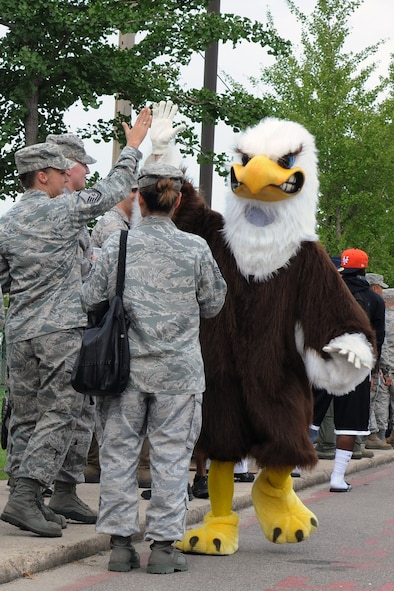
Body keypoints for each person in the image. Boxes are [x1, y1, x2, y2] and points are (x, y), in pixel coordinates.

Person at [0, 106, 151, 538]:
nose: (67, 174)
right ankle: (27, 496)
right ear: (44, 176)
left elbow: (4, 279)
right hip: (59, 330)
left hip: (21, 331)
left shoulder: (7, 222)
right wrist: (133, 147)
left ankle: (27, 497)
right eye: (59, 170)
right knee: (63, 412)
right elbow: (114, 189)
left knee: (26, 418)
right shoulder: (60, 212)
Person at [81, 163, 227, 574]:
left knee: (119, 455)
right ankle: (163, 547)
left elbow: (90, 296)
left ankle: (120, 546)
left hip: (122, 372)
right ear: (178, 201)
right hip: (179, 374)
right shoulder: (196, 249)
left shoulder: (117, 246)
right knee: (171, 459)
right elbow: (214, 304)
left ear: (139, 200)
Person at [42, 133, 101, 513]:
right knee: (49, 413)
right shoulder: (52, 210)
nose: (86, 171)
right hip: (51, 329)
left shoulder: (71, 210)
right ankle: (33, 492)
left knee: (81, 412)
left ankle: (64, 490)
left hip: (76, 325)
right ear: (66, 166)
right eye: (83, 164)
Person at [311, 248, 384, 492]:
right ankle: (337, 478)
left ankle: (294, 467)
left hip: (328, 357)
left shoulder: (326, 294)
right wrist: (373, 371)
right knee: (349, 425)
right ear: (364, 269)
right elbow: (378, 339)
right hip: (358, 363)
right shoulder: (375, 301)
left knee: (310, 417)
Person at [364, 274, 393, 449]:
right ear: (374, 288)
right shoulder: (377, 310)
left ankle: (374, 434)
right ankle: (377, 435)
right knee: (376, 400)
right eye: (380, 287)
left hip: (376, 365)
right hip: (380, 366)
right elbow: (380, 343)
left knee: (372, 401)